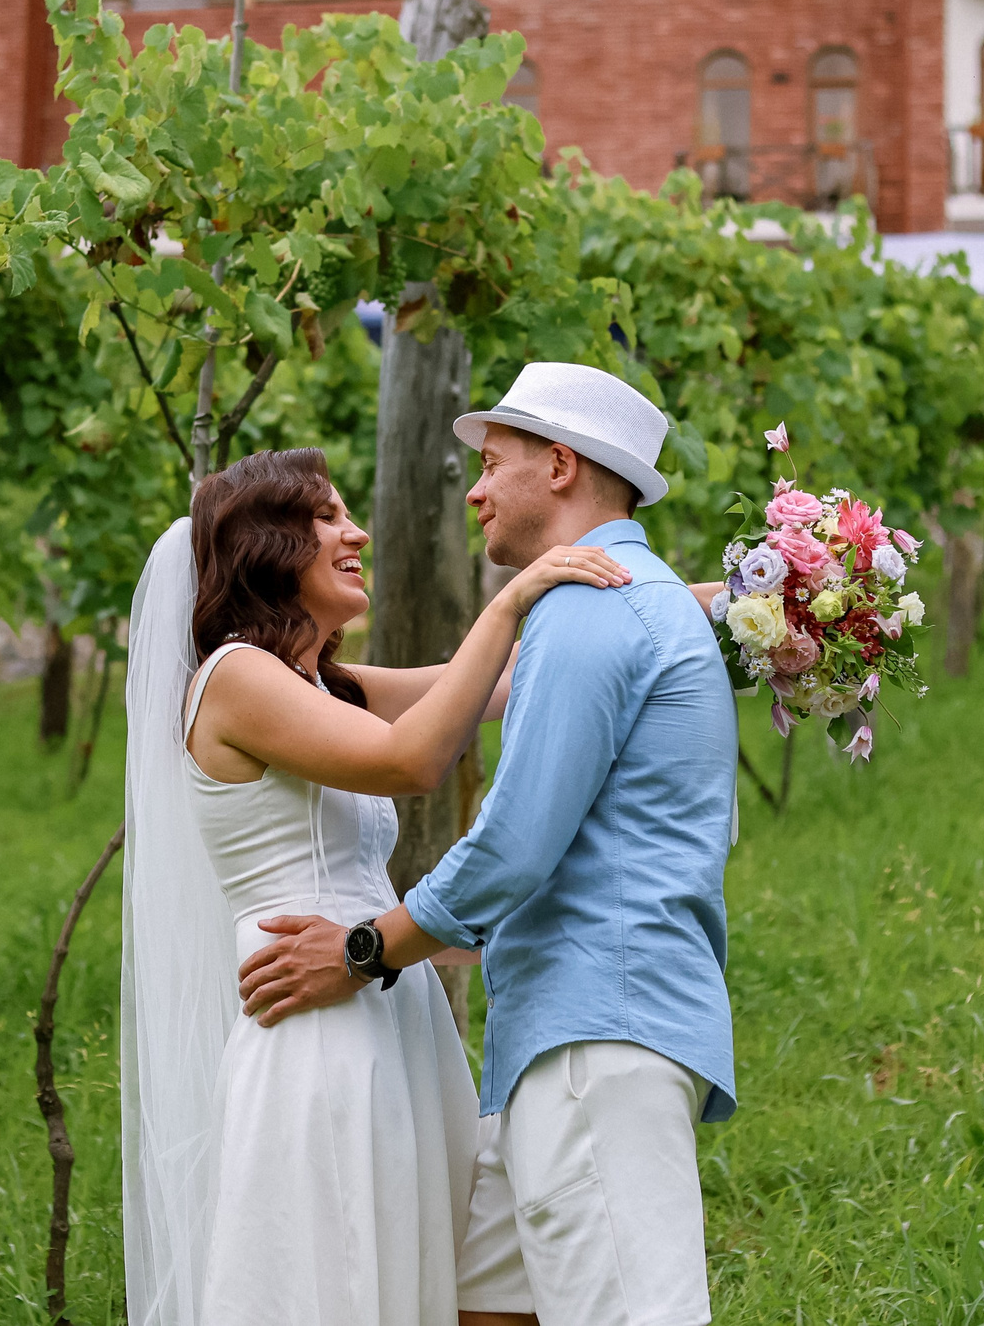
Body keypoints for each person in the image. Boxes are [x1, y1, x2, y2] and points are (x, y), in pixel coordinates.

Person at [240, 363, 741, 1326]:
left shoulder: (594, 610)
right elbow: (444, 698)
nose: (472, 487)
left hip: (600, 1032)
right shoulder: (625, 598)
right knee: (483, 1310)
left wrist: (363, 949)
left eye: (494, 461)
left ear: (560, 466)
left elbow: (514, 845)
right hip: (554, 1036)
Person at [120, 445, 635, 1326]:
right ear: (266, 547)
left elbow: (502, 688)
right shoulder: (234, 679)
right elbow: (413, 759)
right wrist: (513, 597)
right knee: (338, 1275)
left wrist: (740, 604)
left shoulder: (327, 685)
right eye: (324, 516)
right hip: (312, 1030)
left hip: (383, 1000)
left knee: (418, 1266)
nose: (354, 530)